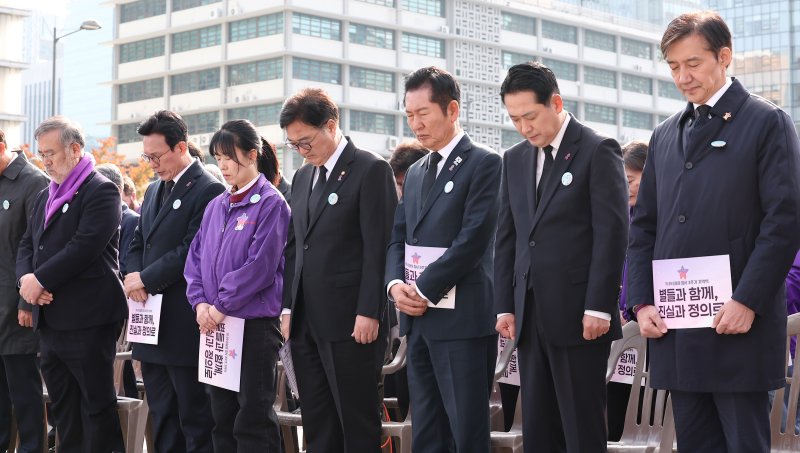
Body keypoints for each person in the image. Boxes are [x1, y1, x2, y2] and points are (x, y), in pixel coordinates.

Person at [627, 11, 800, 452]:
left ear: (724, 57)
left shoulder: (766, 122)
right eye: (673, 66)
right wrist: (642, 302)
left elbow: (784, 221)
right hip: (678, 330)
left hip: (738, 327)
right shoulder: (665, 135)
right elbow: (644, 227)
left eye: (693, 63)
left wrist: (748, 299)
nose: (682, 77)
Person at [494, 61, 628, 453]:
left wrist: (599, 306)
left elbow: (612, 234)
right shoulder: (514, 158)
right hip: (529, 313)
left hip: (580, 315)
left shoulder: (597, 149)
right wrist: (505, 304)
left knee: (581, 427)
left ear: (556, 103)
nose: (524, 127)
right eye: (515, 119)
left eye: (530, 116)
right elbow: (508, 237)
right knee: (538, 428)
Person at [385, 66, 501, 452]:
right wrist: (395, 286)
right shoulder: (417, 171)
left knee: (466, 432)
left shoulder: (485, 163)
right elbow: (398, 237)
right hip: (419, 321)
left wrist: (422, 288)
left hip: (462, 320)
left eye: (423, 113)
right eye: (409, 115)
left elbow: (473, 241)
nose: (415, 124)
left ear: (452, 110)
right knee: (427, 431)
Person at [279, 88, 396, 453]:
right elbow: (295, 248)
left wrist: (369, 310)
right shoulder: (303, 178)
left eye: (306, 141)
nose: (302, 150)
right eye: (294, 144)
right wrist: (288, 308)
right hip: (306, 322)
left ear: (330, 126)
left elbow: (379, 247)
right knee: (318, 423)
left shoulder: (370, 169)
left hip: (351, 322)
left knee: (356, 422)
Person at [16, 116, 127, 453]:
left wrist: (41, 279)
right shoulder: (45, 196)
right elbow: (27, 244)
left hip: (89, 317)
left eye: (50, 153)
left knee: (96, 406)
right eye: (41, 155)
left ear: (75, 149)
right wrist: (26, 280)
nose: (45, 162)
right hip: (51, 320)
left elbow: (85, 246)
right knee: (63, 410)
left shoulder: (101, 190)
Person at [184, 120, 289, 452]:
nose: (223, 165)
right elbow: (195, 259)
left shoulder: (271, 203)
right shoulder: (216, 205)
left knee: (253, 418)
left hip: (253, 326)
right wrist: (200, 303)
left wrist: (218, 306)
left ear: (252, 155)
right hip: (216, 325)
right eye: (218, 158)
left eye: (229, 157)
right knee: (222, 416)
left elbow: (260, 266)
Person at [123, 110, 224, 453]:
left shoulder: (209, 189)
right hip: (150, 320)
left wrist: (146, 279)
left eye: (157, 156)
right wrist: (133, 277)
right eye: (147, 157)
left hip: (183, 322)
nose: (152, 164)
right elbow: (138, 241)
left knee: (194, 416)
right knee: (162, 414)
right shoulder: (153, 189)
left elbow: (191, 249)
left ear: (181, 147)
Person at [0, 129, 48, 453]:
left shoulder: (34, 181)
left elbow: (37, 247)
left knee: (24, 391)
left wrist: (27, 302)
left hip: (18, 307)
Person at [607, 139, 649, 442]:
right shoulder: (617, 218)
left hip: (649, 331)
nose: (626, 188)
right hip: (619, 335)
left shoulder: (664, 219)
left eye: (631, 180)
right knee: (615, 421)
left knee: (647, 420)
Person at [96, 163, 141, 399]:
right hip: (102, 302)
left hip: (119, 301)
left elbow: (125, 264)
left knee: (121, 371)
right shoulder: (94, 216)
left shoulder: (130, 219)